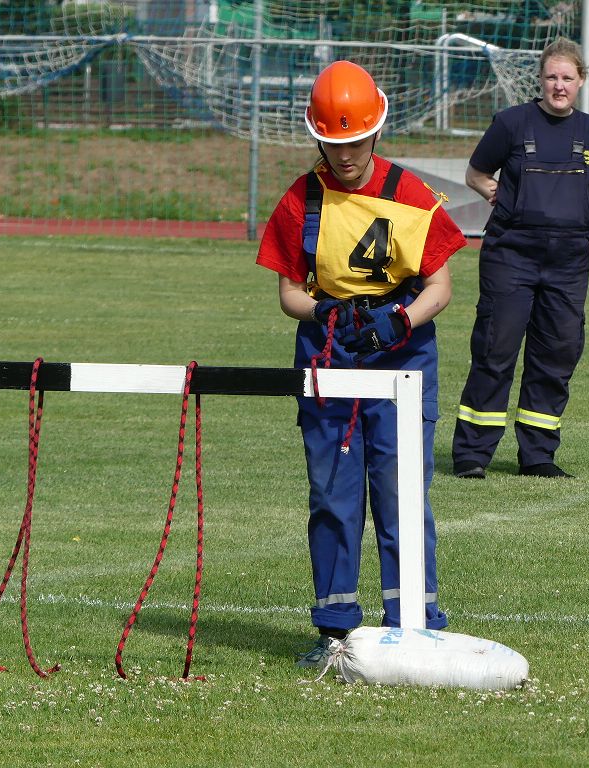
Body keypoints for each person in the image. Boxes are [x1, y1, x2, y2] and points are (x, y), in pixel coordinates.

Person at [256, 60, 467, 667]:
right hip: (328, 358)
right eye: (332, 142)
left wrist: (399, 321)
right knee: (333, 495)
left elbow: (441, 287)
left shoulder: (412, 196)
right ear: (317, 137)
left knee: (402, 494)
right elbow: (289, 294)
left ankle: (415, 627)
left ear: (376, 131)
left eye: (355, 142)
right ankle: (336, 632)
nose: (344, 155)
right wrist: (325, 312)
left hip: (403, 358)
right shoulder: (301, 200)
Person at [451, 37, 589, 480]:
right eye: (552, 77)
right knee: (495, 349)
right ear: (540, 79)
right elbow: (476, 173)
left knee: (557, 354)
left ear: (581, 81)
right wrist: (499, 195)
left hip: (568, 261)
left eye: (567, 78)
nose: (559, 86)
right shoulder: (511, 123)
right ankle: (472, 454)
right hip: (511, 256)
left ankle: (538, 455)